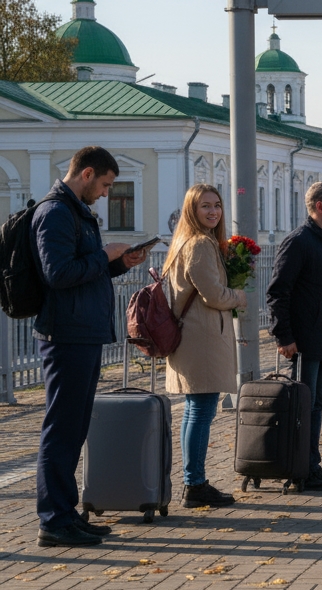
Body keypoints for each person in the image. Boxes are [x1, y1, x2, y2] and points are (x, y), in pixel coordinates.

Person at [31, 146, 148, 547]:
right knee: (62, 429)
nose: (106, 193)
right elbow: (58, 274)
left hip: (82, 331)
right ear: (86, 174)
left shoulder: (75, 211)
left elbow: (80, 271)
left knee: (74, 427)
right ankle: (53, 520)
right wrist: (103, 255)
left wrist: (118, 264)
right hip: (65, 334)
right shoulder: (55, 212)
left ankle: (66, 514)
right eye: (105, 184)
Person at [163, 184, 247, 509]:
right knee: (200, 411)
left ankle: (193, 480)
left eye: (217, 205)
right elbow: (214, 295)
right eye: (205, 206)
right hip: (202, 340)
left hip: (197, 338)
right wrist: (239, 296)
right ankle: (195, 484)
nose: (213, 212)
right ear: (191, 210)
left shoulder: (191, 241)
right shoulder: (199, 244)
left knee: (195, 410)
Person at [267, 182, 322, 491]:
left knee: (316, 404)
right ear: (320, 207)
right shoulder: (299, 241)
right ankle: (299, 468)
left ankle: (311, 465)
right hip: (305, 340)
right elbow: (278, 293)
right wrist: (283, 335)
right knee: (303, 405)